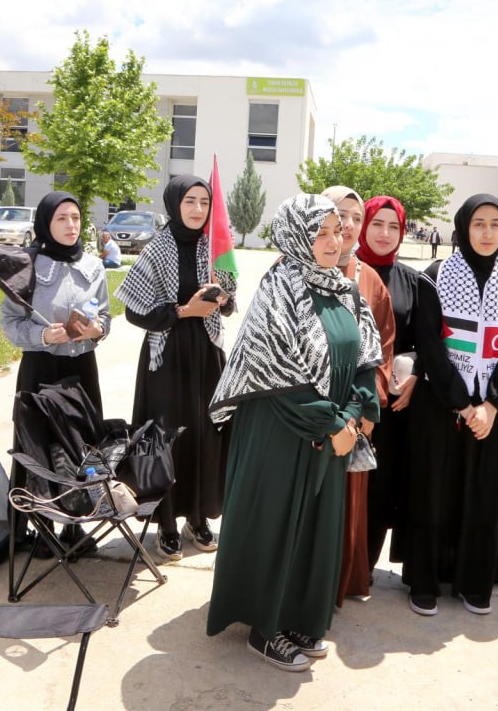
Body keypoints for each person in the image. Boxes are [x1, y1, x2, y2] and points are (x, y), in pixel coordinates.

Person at [206, 194, 383, 672]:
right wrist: (333, 423)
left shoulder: (341, 288)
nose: (334, 239)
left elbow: (365, 357)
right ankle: (265, 628)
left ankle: (299, 616)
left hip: (330, 432)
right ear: (294, 236)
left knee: (314, 528)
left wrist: (355, 411)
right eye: (320, 232)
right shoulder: (278, 290)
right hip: (280, 433)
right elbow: (275, 376)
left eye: (337, 230)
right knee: (276, 526)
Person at [403, 193, 498, 618]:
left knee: (487, 493)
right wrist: (461, 403)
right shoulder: (437, 274)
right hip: (443, 402)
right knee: (434, 487)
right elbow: (429, 343)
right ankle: (425, 581)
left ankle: (474, 582)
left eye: (496, 224)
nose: (487, 232)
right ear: (463, 226)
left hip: (497, 406)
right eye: (479, 223)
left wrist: (491, 403)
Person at [116, 175, 235, 560]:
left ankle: (198, 517)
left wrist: (221, 300)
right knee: (166, 438)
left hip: (206, 353)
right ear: (173, 205)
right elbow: (134, 309)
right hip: (166, 356)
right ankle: (166, 523)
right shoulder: (157, 249)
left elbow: (231, 302)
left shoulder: (213, 247)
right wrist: (185, 310)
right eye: (190, 201)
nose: (198, 209)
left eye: (204, 202)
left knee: (205, 433)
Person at [0, 191, 111, 556]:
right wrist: (43, 335)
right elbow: (10, 322)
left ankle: (76, 528)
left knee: (81, 446)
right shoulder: (26, 265)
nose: (71, 225)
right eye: (62, 218)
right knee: (38, 445)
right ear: (46, 223)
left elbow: (103, 315)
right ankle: (39, 528)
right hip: (41, 367)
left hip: (81, 368)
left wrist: (97, 330)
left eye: (76, 218)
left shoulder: (94, 267)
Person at [321, 186, 395, 605]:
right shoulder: (287, 270)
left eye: (353, 218)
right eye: (337, 215)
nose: (346, 226)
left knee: (347, 508)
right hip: (308, 418)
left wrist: (370, 404)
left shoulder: (369, 280)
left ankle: (339, 584)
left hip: (353, 418)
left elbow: (383, 350)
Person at [355, 196, 419, 578]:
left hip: (395, 404)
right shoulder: (348, 271)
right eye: (376, 223)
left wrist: (417, 375)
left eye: (393, 226)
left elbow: (428, 339)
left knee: (382, 486)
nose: (384, 233)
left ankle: (365, 568)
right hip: (355, 399)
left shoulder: (411, 280)